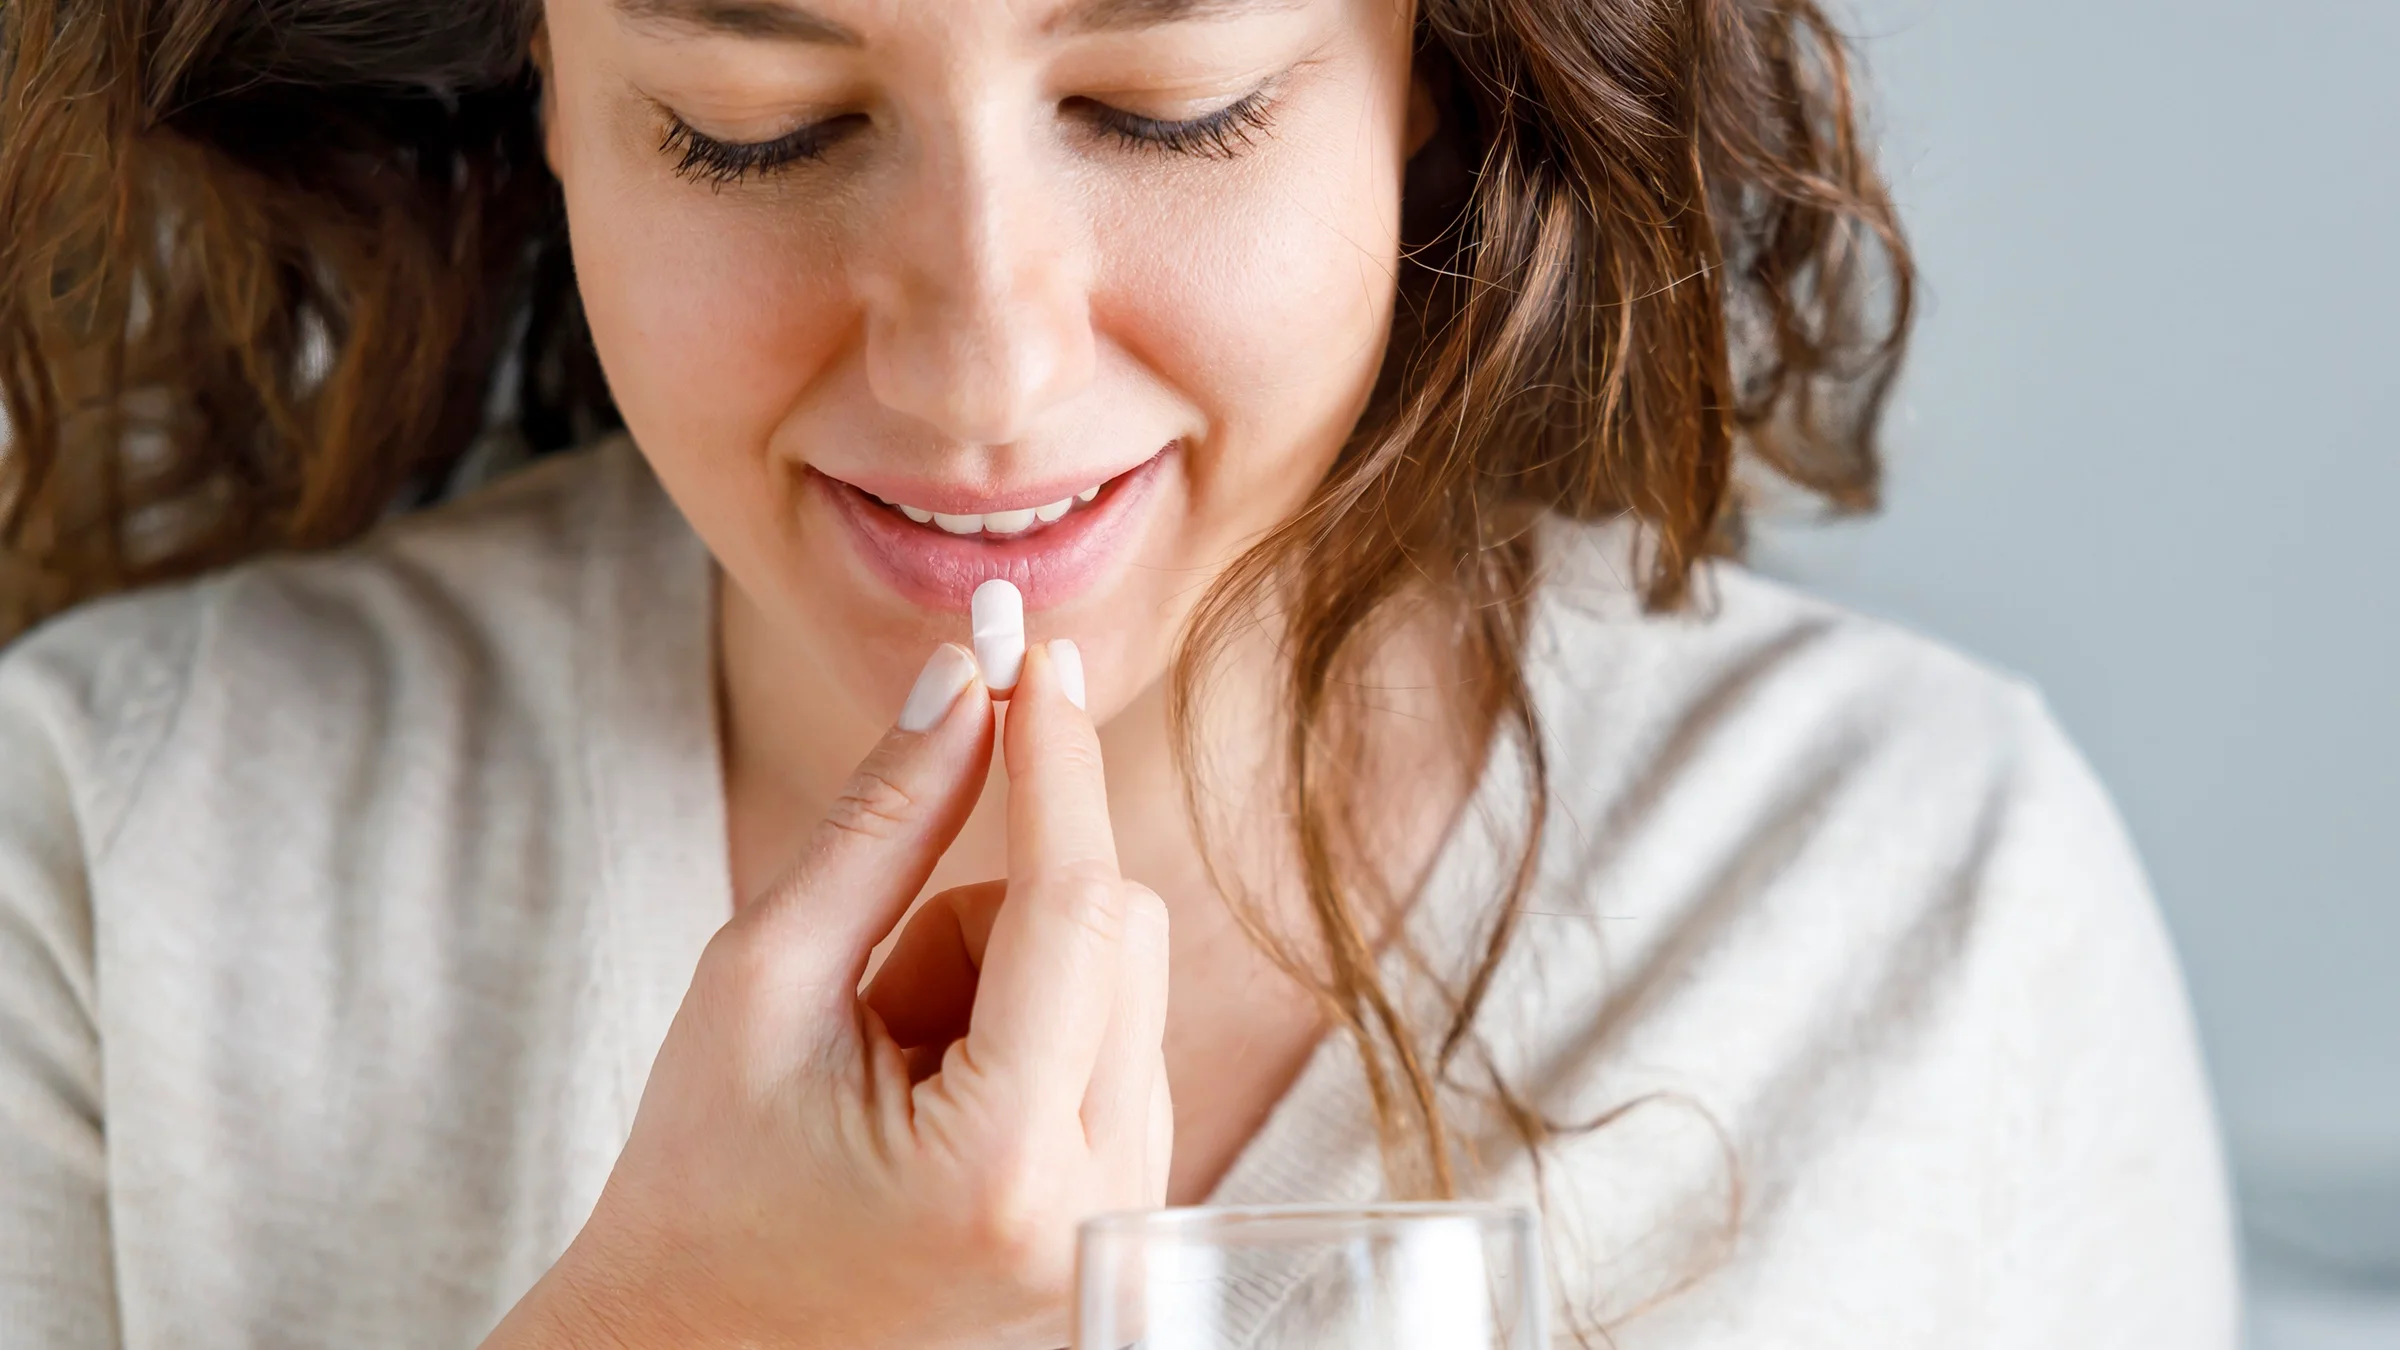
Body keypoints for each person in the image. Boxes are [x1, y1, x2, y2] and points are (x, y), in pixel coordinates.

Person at [0, 0, 2239, 1345]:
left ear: (1431, 61)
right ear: (550, 80)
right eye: (755, 124)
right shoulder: (119, 842)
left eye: (1167, 105)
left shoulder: (1911, 910)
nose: (980, 371)